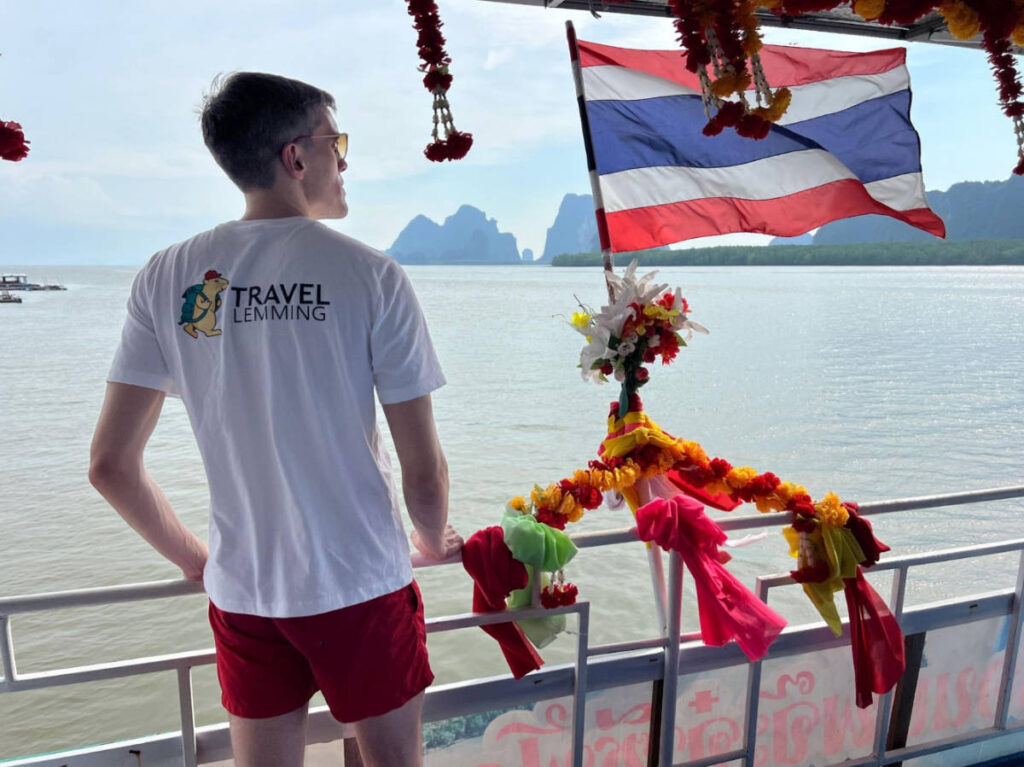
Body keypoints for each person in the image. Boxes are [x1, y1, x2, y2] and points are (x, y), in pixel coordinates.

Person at [89, 72, 462, 767]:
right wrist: (433, 536)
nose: (344, 160)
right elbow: (424, 468)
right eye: (335, 141)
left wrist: (201, 562)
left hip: (246, 595)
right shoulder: (371, 275)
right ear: (297, 157)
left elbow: (111, 464)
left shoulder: (165, 276)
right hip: (361, 585)